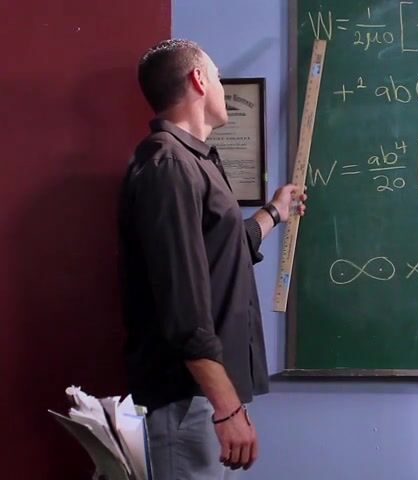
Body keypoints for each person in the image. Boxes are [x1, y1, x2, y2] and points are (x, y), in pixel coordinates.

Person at [118, 38, 306, 479]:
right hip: (188, 398)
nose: (223, 86)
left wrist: (275, 211)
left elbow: (222, 249)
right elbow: (182, 306)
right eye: (219, 76)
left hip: (206, 397)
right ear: (199, 80)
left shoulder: (192, 162)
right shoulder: (169, 166)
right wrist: (227, 408)